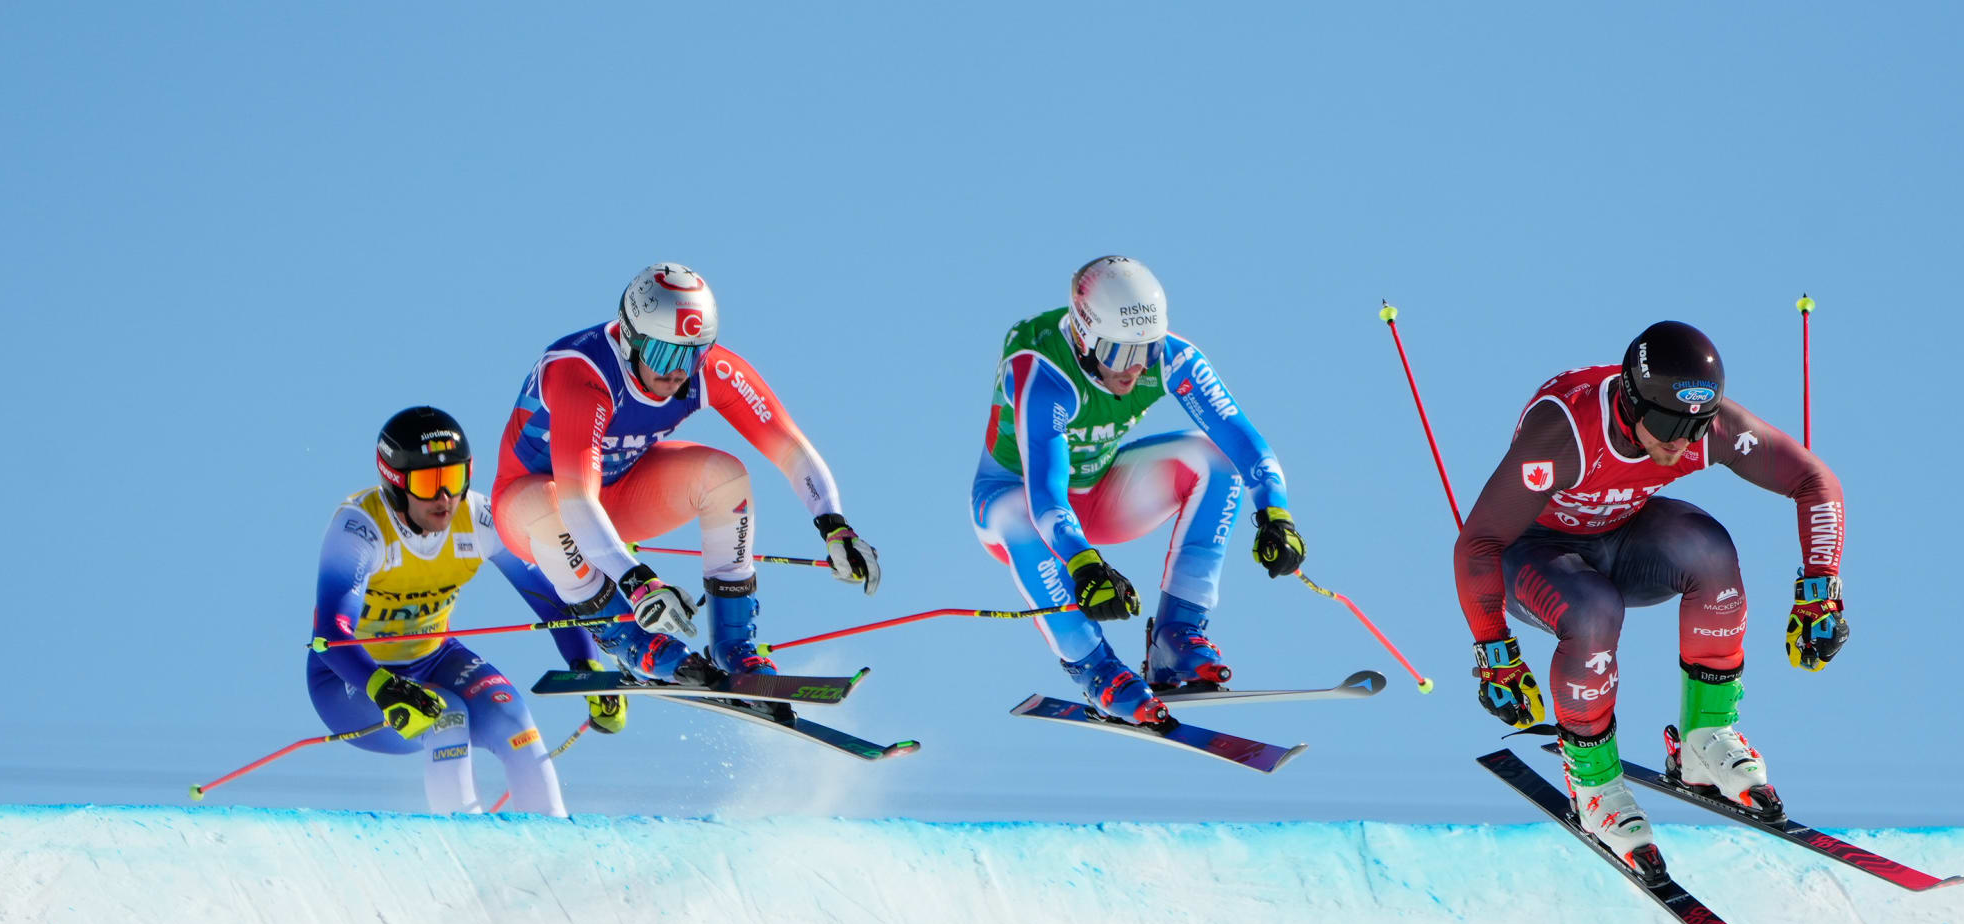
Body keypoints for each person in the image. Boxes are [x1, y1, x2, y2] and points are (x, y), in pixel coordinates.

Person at [1453, 321, 1849, 878]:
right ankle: (1593, 785)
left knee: (1709, 553)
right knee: (1593, 612)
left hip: (1622, 537)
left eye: (1697, 426)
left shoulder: (1702, 429)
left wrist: (1820, 590)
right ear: (1629, 401)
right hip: (1534, 555)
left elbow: (1814, 480)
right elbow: (1478, 542)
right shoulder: (1564, 432)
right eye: (1667, 423)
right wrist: (1496, 652)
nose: (1681, 441)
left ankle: (1705, 736)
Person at [489, 262, 880, 685]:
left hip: (617, 494)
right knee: (551, 509)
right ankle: (625, 638)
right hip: (533, 510)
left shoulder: (708, 370)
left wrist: (835, 526)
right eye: (663, 353)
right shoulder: (581, 373)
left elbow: (791, 448)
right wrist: (638, 581)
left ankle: (735, 646)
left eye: (692, 353)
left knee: (726, 477)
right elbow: (576, 500)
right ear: (629, 338)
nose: (677, 372)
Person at [970, 256, 1306, 725]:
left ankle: (1178, 635)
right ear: (1085, 338)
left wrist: (1276, 513)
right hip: (1021, 502)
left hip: (1100, 493)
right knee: (1015, 513)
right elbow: (1045, 493)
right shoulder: (1042, 369)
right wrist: (1085, 564)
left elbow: (1242, 436)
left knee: (1217, 459)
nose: (1133, 370)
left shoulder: (1170, 357)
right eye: (1119, 354)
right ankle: (1096, 668)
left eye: (1144, 351)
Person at [309, 406, 626, 817]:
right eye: (428, 483)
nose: (445, 498)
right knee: (447, 715)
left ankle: (555, 850)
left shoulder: (477, 517)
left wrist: (587, 666)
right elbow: (332, 635)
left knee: (513, 716)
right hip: (350, 679)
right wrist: (383, 687)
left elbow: (552, 598)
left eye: (454, 479)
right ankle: (463, 851)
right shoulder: (360, 528)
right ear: (395, 483)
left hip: (436, 657)